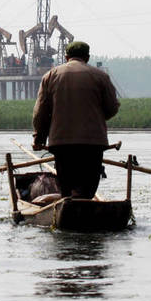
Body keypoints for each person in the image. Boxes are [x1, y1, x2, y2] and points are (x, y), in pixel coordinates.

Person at [32, 41, 119, 198]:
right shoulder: (101, 76)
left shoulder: (50, 76)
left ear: (66, 57)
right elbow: (112, 107)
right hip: (93, 143)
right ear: (87, 57)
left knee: (67, 188)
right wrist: (96, 118)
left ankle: (68, 209)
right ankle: (86, 210)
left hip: (62, 143)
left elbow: (41, 113)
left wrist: (39, 138)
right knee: (88, 190)